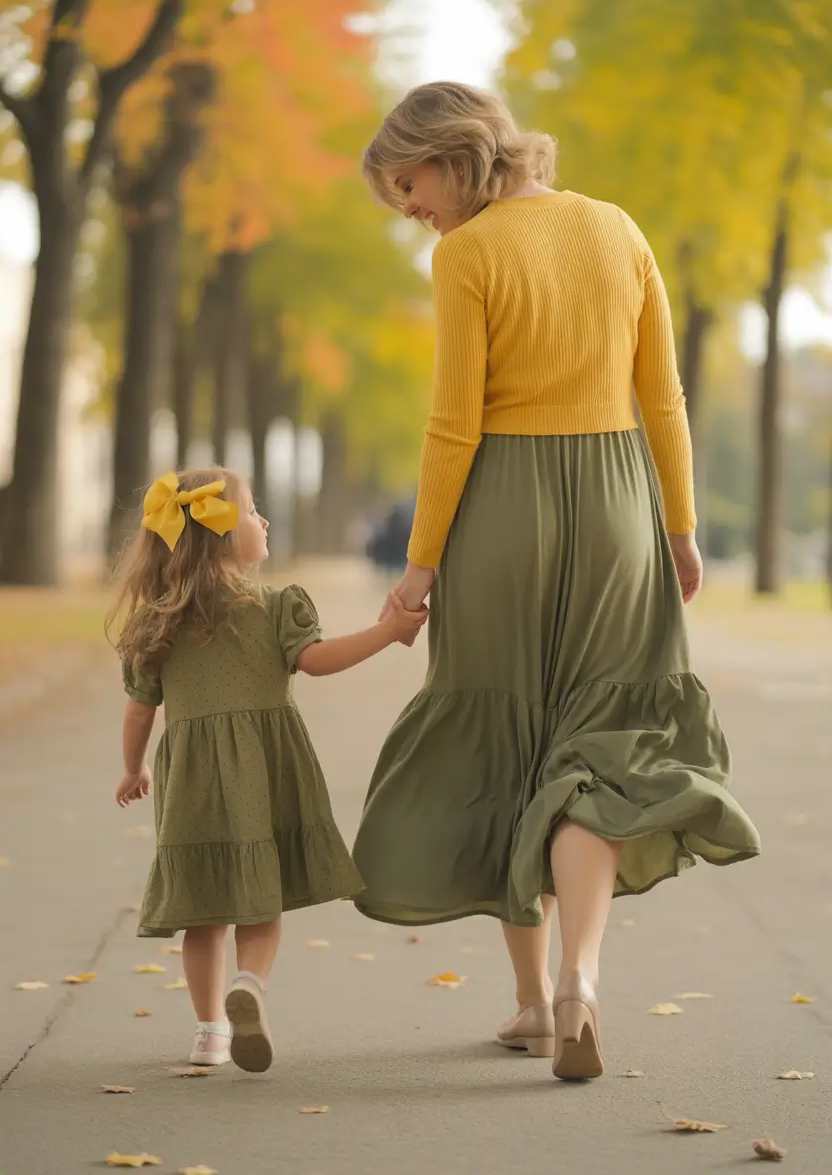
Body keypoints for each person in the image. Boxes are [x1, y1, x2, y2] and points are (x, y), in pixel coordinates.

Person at [351, 82, 760, 1080]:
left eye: (407, 187)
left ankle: (534, 1002)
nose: (411, 212)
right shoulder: (617, 229)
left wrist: (420, 562)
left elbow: (453, 424)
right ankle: (572, 983)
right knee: (598, 746)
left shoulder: (467, 253)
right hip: (620, 502)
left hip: (503, 511)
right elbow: (660, 394)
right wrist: (678, 526)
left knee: (509, 741)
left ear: (449, 159)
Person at [108, 467, 426, 1073]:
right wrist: (388, 632)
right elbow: (320, 660)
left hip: (194, 786)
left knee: (204, 911)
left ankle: (208, 1033)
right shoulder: (275, 607)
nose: (264, 520)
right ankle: (249, 983)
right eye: (253, 512)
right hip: (265, 770)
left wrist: (133, 768)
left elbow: (139, 709)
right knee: (261, 899)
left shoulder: (159, 620)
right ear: (225, 537)